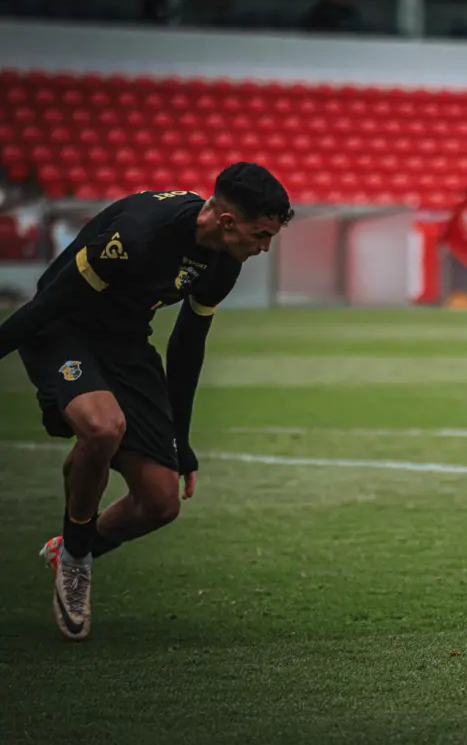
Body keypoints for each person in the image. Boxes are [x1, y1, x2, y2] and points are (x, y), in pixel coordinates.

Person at [0, 163, 293, 640]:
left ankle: (71, 545)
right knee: (102, 427)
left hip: (126, 344)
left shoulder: (224, 263)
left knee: (160, 502)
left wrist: (181, 438)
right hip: (64, 328)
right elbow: (50, 304)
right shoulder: (140, 235)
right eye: (261, 235)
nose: (264, 248)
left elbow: (186, 345)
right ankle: (76, 564)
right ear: (226, 221)